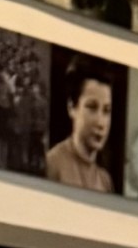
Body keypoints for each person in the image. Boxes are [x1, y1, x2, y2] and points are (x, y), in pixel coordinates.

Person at [45, 57, 117, 190]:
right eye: (92, 107)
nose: (101, 123)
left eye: (107, 111)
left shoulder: (105, 181)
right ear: (72, 107)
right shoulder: (52, 165)